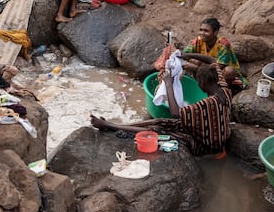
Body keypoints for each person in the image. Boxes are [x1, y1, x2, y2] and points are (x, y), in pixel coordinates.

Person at [91, 53, 232, 156]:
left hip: (207, 144)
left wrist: (169, 84)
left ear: (202, 84)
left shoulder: (205, 105)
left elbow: (176, 113)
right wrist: (184, 54)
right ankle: (116, 126)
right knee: (160, 121)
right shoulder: (224, 89)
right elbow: (211, 60)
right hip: (219, 135)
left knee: (159, 131)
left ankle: (109, 126)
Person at [183, 17, 248, 94]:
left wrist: (197, 68)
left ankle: (224, 90)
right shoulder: (198, 41)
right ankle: (203, 86)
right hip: (207, 69)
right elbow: (185, 53)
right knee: (192, 60)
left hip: (220, 73)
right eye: (201, 30)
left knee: (229, 71)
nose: (202, 33)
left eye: (206, 31)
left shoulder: (223, 44)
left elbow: (218, 66)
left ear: (215, 32)